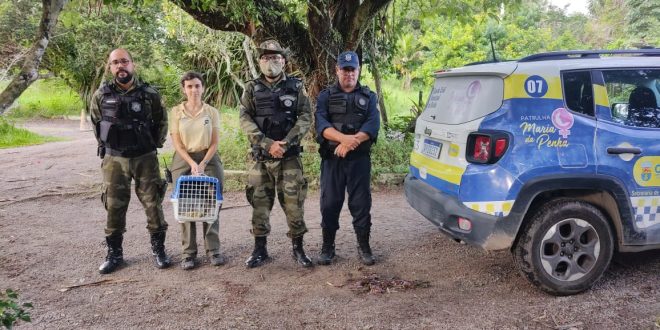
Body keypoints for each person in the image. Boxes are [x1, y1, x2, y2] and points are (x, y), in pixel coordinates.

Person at [90, 48, 171, 274]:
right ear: (110, 67)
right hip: (114, 160)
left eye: (124, 61)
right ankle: (114, 255)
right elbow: (96, 123)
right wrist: (109, 147)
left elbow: (162, 120)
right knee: (114, 206)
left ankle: (159, 251)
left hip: (145, 157)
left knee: (153, 204)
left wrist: (154, 144)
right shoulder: (101, 95)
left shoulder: (149, 94)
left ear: (132, 64)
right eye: (115, 63)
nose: (120, 66)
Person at [239, 39, 313, 268]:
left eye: (275, 57)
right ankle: (260, 250)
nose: (271, 61)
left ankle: (298, 249)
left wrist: (286, 142)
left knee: (294, 203)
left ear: (284, 60)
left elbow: (305, 116)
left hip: (289, 157)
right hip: (261, 158)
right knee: (259, 204)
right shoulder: (251, 88)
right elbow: (245, 119)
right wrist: (268, 143)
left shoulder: (296, 86)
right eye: (266, 57)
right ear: (260, 61)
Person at [314, 50, 381, 266]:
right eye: (345, 70)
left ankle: (364, 247)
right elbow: (321, 125)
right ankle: (328, 248)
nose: (349, 74)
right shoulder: (325, 96)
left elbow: (372, 125)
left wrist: (353, 142)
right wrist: (344, 139)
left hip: (359, 161)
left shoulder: (369, 96)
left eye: (353, 70)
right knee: (330, 203)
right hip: (332, 160)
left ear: (359, 70)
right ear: (337, 70)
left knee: (361, 204)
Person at [169, 72, 226, 270]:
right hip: (184, 158)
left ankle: (213, 250)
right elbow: (177, 143)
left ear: (203, 88)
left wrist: (203, 163)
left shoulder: (211, 112)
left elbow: (214, 143)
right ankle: (188, 254)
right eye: (189, 86)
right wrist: (192, 163)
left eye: (197, 86)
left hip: (208, 157)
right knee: (184, 204)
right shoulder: (176, 112)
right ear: (184, 89)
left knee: (212, 201)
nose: (194, 90)